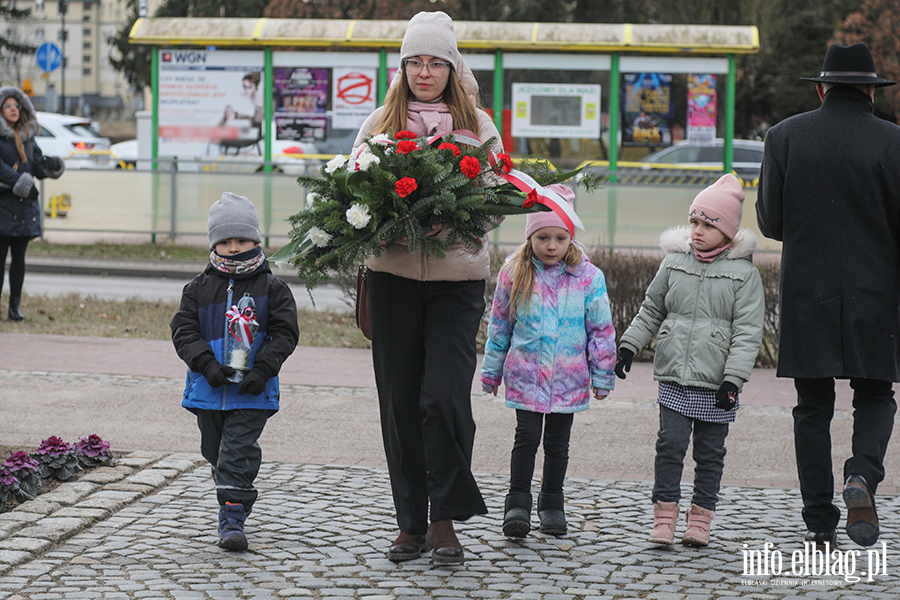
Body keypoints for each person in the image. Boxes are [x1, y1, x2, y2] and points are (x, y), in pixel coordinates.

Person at [352, 10, 503, 565]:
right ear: (402, 67)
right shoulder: (379, 125)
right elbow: (353, 193)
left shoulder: (479, 127)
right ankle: (412, 524)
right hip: (392, 279)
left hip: (456, 283)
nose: (423, 72)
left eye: (434, 62)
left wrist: (452, 220)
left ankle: (446, 519)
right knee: (399, 404)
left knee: (441, 398)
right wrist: (386, 217)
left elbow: (494, 205)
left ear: (451, 66)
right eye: (414, 61)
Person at [756, 42, 900, 549]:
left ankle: (820, 519)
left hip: (807, 290)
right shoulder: (895, 142)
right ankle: (861, 476)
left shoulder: (783, 136)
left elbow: (771, 223)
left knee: (812, 407)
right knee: (877, 394)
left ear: (820, 88)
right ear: (870, 91)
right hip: (877, 290)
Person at [616, 174, 764, 547]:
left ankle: (700, 519)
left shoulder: (744, 275)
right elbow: (651, 309)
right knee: (670, 445)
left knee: (710, 454)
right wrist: (629, 345)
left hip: (717, 384)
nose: (697, 230)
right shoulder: (674, 264)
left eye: (708, 224)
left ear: (728, 232)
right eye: (694, 221)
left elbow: (748, 333)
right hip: (675, 378)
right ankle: (664, 516)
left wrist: (733, 380)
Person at [480, 184, 616, 539]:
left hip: (568, 379)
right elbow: (500, 325)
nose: (552, 246)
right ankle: (518, 502)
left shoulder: (589, 277)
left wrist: (603, 376)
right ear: (531, 237)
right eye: (543, 237)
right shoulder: (514, 273)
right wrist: (491, 372)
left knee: (558, 444)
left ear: (570, 237)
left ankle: (552, 502)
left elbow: (601, 329)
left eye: (559, 237)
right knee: (525, 438)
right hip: (526, 375)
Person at [170, 192, 299, 551]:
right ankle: (234, 486)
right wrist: (206, 365)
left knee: (235, 451)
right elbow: (183, 332)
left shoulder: (272, 288)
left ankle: (232, 515)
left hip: (251, 391)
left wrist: (264, 368)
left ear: (256, 241)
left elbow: (285, 333)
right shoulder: (197, 289)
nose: (233, 247)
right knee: (215, 450)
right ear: (214, 244)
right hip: (210, 388)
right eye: (225, 241)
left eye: (241, 240)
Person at [0, 87, 64, 321]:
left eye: (16, 106)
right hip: (3, 206)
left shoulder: (28, 136)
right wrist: (22, 182)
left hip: (24, 208)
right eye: (8, 106)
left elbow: (36, 165)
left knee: (19, 260)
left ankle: (14, 307)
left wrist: (51, 166)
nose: (13, 109)